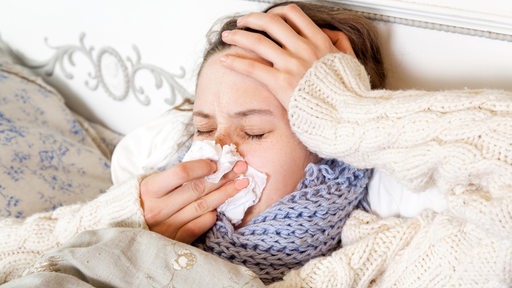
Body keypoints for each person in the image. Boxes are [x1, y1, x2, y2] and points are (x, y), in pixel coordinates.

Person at [1, 1, 511, 287]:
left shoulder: (374, 265)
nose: (218, 150)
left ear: (333, 146)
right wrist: (119, 218)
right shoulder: (132, 210)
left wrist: (349, 111)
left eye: (255, 131)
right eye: (202, 128)